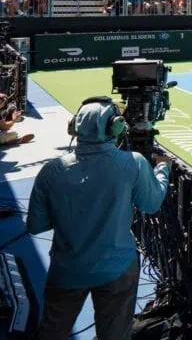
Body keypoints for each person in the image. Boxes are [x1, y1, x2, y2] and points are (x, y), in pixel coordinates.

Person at [28, 100, 171, 339]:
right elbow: (151, 203)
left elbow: (35, 225)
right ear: (115, 128)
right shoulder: (133, 163)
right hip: (117, 270)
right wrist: (163, 169)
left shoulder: (51, 171)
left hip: (67, 270)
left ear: (75, 128)